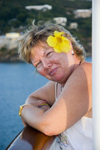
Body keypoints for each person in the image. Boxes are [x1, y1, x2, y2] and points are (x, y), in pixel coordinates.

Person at [18, 21, 92, 150]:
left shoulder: (87, 73)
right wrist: (43, 108)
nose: (46, 65)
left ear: (68, 46)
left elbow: (49, 126)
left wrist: (23, 111)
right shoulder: (59, 84)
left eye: (49, 54)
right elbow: (33, 98)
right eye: (38, 64)